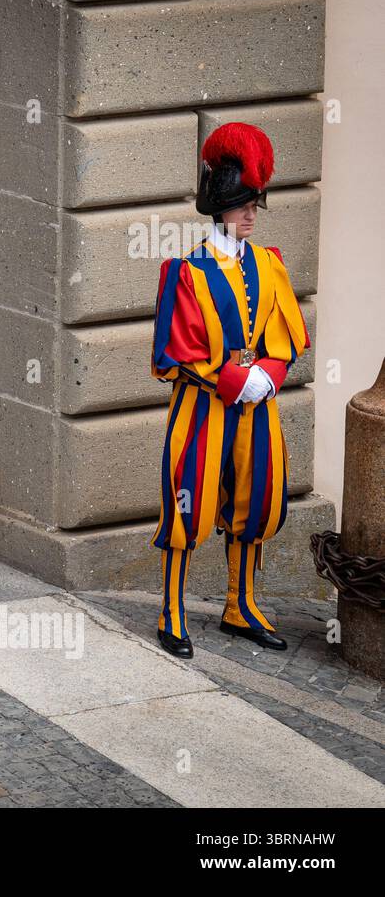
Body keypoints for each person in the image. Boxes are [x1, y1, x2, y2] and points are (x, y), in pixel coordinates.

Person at [151, 122, 310, 659]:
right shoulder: (185, 271)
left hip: (257, 409)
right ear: (220, 202)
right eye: (243, 202)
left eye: (255, 203)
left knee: (255, 499)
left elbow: (285, 335)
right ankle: (171, 611)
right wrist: (236, 379)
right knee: (188, 501)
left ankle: (239, 606)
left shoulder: (269, 264)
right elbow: (177, 350)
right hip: (203, 408)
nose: (250, 213)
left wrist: (268, 375)